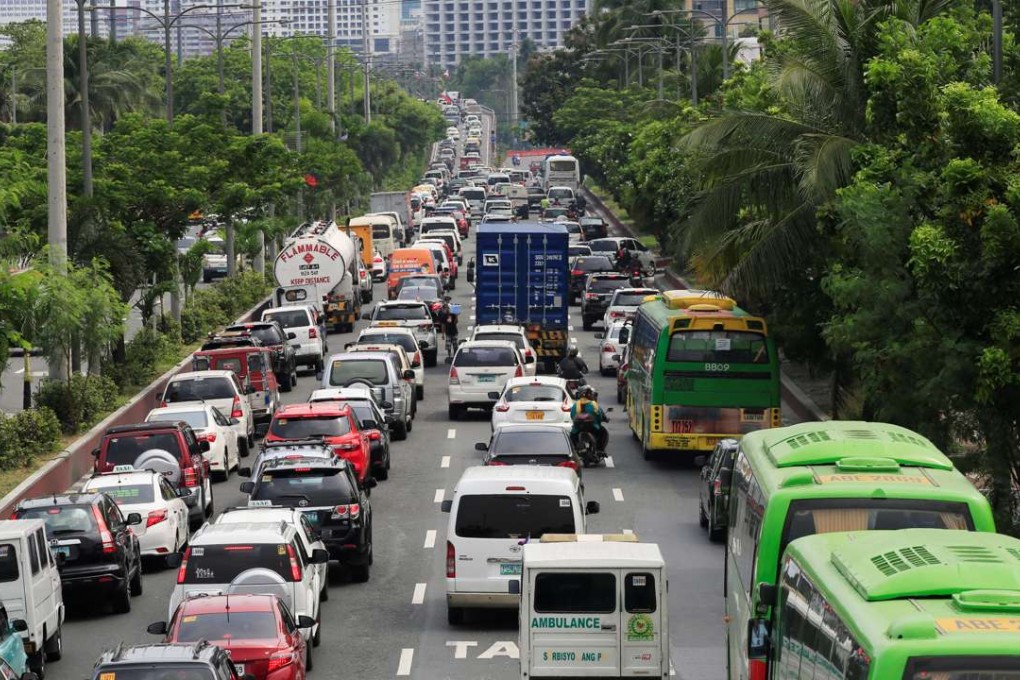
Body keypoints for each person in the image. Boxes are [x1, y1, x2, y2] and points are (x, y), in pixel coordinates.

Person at [570, 386, 609, 452]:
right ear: (589, 395)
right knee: (602, 432)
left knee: (571, 439)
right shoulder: (594, 404)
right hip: (593, 428)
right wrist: (601, 421)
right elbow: (599, 415)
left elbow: (572, 416)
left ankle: (574, 451)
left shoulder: (575, 405)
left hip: (577, 429)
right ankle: (600, 449)